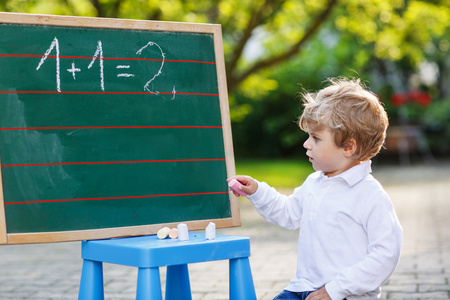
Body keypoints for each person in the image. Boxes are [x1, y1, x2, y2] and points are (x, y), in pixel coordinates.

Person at [228, 78, 403, 300]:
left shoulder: (370, 195)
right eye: (309, 136)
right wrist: (257, 191)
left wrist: (335, 289)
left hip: (346, 294)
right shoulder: (314, 182)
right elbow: (288, 213)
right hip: (303, 288)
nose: (306, 144)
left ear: (348, 146)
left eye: (316, 138)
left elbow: (386, 254)